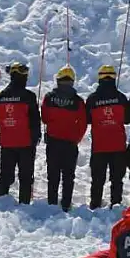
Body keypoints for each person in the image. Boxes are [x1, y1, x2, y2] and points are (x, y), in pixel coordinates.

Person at [0, 62, 41, 203]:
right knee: (25, 176)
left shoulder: (0, 97)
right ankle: (24, 203)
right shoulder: (29, 96)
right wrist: (36, 136)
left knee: (5, 175)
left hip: (7, 142)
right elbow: (35, 119)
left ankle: (1, 201)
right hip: (26, 143)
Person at [84, 64, 130, 209]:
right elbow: (128, 118)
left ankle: (95, 203)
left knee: (97, 179)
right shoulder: (121, 97)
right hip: (118, 145)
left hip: (99, 145)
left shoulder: (92, 99)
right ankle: (115, 203)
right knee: (117, 179)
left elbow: (87, 119)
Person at [42, 65, 87, 211]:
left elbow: (45, 118)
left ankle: (52, 203)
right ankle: (66, 204)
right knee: (68, 176)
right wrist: (76, 138)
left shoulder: (49, 98)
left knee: (53, 175)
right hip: (70, 143)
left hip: (53, 142)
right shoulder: (78, 101)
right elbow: (83, 123)